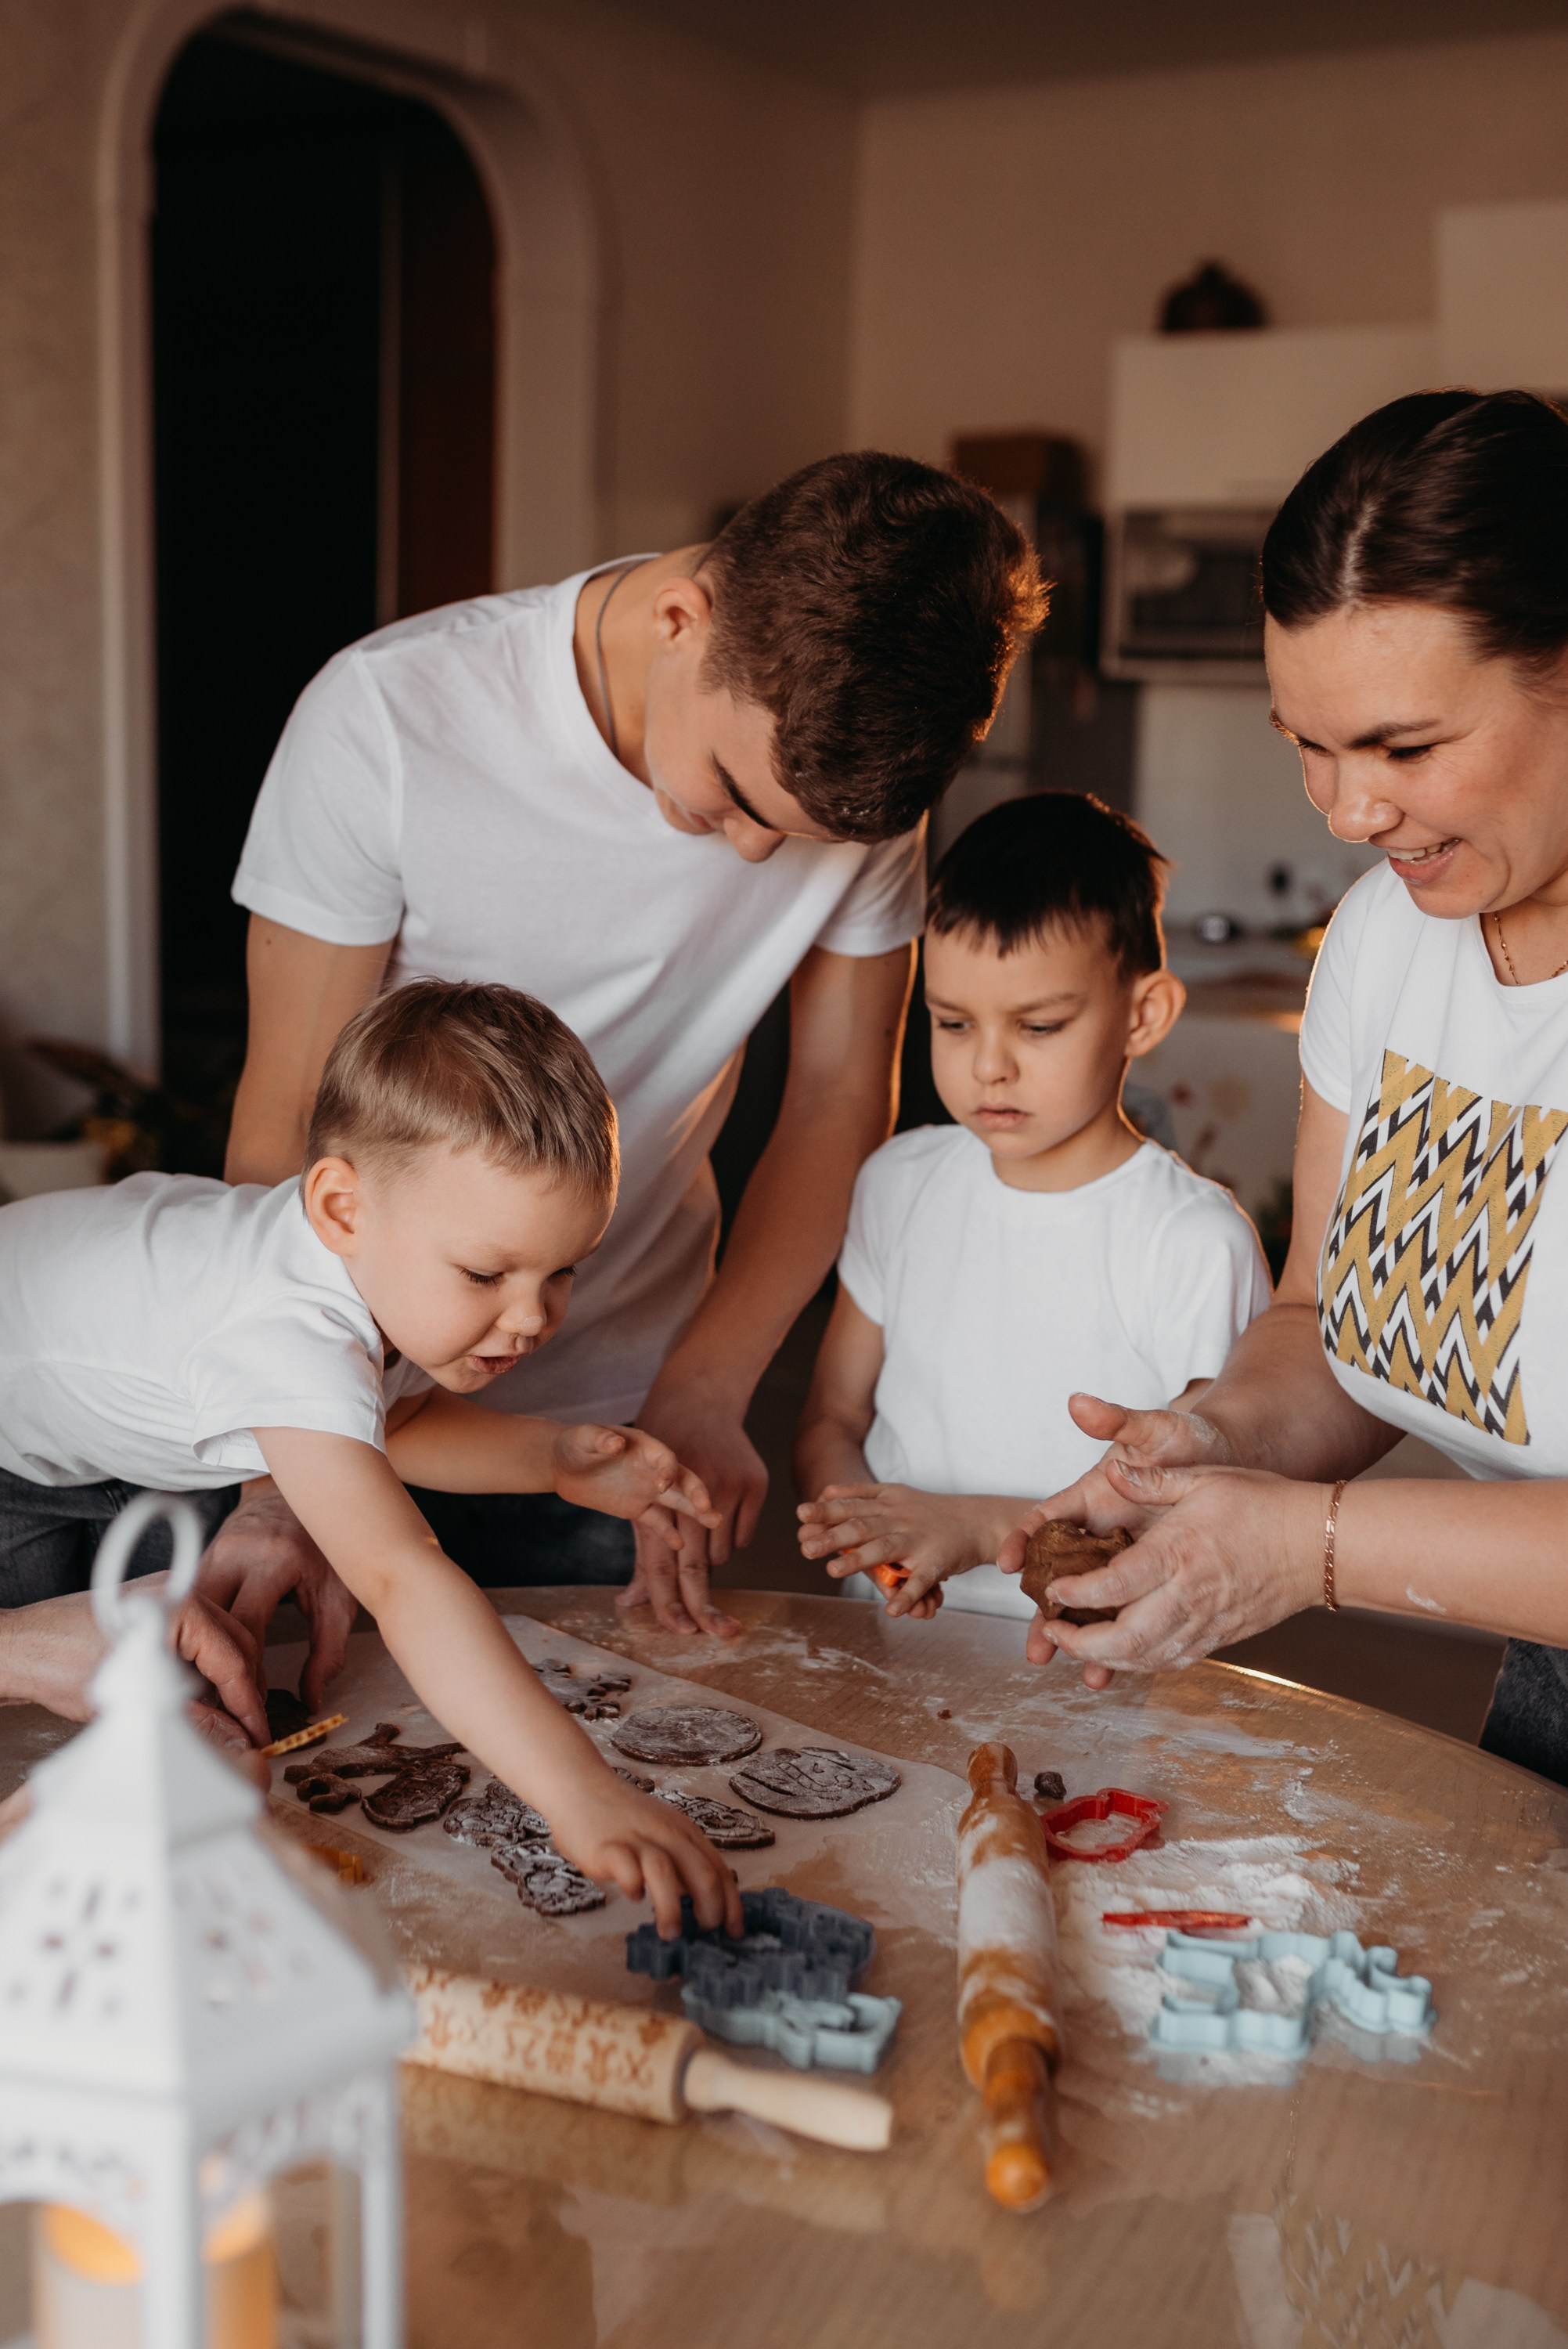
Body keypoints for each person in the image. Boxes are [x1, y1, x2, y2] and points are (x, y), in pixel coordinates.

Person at [222, 451, 1044, 1663]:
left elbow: (831, 1104)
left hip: (616, 1419)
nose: (759, 855)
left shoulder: (848, 780)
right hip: (348, 1407)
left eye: (797, 834)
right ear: (681, 618)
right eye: (731, 795)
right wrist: (276, 1470)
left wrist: (707, 1390)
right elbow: (283, 1120)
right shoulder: (388, 719)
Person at [1001, 389, 1568, 1789]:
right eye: (1304, 742)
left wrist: (1299, 1548)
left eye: (1401, 747)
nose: (1344, 811)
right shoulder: (1386, 935)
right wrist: (1200, 1445)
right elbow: (1327, 1317)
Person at [0, 980, 741, 1933]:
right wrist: (578, 1794)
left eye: (561, 1272)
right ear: (342, 1206)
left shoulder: (358, 1265)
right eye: (486, 1273)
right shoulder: (288, 1333)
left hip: (84, 1434)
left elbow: (390, 1423)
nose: (531, 1318)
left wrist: (554, 1459)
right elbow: (399, 1575)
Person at [794, 793, 1271, 1616]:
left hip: (1105, 1703)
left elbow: (1212, 1525)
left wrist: (984, 1530)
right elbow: (832, 1414)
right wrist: (872, 1542)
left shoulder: (1191, 1243)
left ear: (1142, 1015)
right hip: (897, 1666)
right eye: (951, 1023)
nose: (988, 1067)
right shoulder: (897, 1185)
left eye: (1038, 1026)